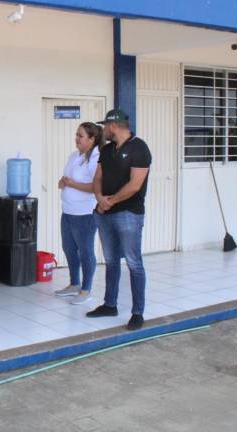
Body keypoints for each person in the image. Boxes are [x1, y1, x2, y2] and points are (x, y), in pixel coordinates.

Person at [86, 109, 152, 331]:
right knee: (111, 261)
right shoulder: (106, 150)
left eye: (105, 126)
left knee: (134, 262)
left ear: (113, 126)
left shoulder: (139, 148)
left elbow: (135, 185)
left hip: (128, 214)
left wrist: (110, 201)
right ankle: (110, 304)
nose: (104, 129)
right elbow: (97, 178)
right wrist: (99, 198)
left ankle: (137, 312)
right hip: (105, 213)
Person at [54, 122, 103, 305]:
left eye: (80, 136)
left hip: (85, 213)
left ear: (92, 139)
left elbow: (96, 187)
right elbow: (67, 178)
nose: (76, 139)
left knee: (85, 251)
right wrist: (63, 182)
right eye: (76, 134)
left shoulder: (97, 159)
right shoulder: (74, 156)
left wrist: (72, 184)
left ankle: (86, 289)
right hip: (67, 210)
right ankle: (74, 283)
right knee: (68, 248)